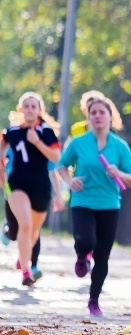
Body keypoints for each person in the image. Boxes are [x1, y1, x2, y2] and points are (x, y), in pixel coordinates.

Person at [57, 96, 131, 317]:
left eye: (102, 112)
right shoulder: (78, 143)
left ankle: (94, 300)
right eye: (93, 113)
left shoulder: (120, 147)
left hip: (109, 204)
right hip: (83, 201)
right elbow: (61, 165)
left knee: (102, 255)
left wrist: (118, 173)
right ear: (88, 117)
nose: (98, 116)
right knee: (86, 240)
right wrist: (69, 181)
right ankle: (82, 256)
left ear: (111, 117)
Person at [0, 92, 62, 286]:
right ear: (21, 110)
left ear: (39, 110)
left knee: (33, 231)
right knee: (25, 224)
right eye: (26, 106)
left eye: (33, 106)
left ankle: (23, 257)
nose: (29, 110)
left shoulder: (46, 132)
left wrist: (37, 142)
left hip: (41, 188)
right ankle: (26, 271)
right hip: (18, 184)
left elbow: (56, 158)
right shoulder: (12, 131)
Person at [2, 148, 64, 281]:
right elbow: (3, 169)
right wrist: (7, 190)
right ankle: (7, 230)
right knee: (14, 234)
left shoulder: (43, 148)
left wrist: (58, 195)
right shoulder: (14, 146)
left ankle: (32, 265)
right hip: (14, 195)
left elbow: (52, 173)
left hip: (36, 195)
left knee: (33, 229)